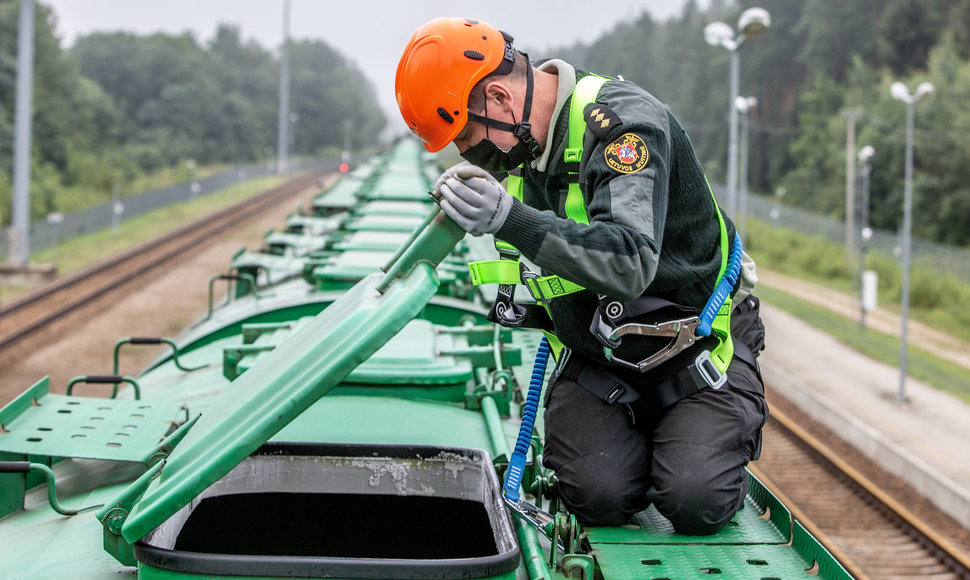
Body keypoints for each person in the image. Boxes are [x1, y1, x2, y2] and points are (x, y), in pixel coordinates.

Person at [395, 17, 767, 535]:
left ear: (502, 99)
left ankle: (701, 436)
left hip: (697, 347)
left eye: (468, 138)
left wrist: (509, 218)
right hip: (606, 356)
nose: (472, 155)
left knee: (692, 496)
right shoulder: (523, 148)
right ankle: (654, 442)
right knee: (598, 495)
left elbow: (630, 259)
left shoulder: (621, 127)